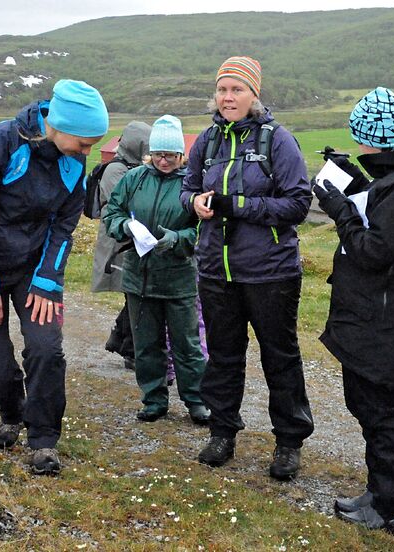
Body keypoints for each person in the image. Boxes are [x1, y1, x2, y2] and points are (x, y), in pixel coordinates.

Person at [0, 79, 108, 476]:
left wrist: (48, 279)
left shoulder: (73, 159)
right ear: (59, 125)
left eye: (92, 145)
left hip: (33, 269)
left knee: (46, 350)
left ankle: (43, 441)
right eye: (84, 143)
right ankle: (11, 411)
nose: (87, 152)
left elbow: (64, 226)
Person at [314, 87, 394, 535]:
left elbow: (373, 249)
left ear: (375, 136)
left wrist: (339, 209)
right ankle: (379, 491)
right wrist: (354, 181)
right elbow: (383, 210)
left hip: (383, 314)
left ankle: (389, 504)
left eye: (361, 137)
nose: (359, 144)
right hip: (374, 310)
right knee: (368, 404)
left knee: (384, 410)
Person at [180, 55, 314, 481]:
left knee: (280, 358)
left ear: (254, 94)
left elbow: (297, 203)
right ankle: (223, 432)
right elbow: (186, 189)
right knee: (222, 357)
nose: (227, 97)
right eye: (222, 89)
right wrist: (194, 203)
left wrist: (236, 206)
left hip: (270, 272)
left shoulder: (278, 140)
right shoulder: (207, 141)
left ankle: (289, 442)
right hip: (216, 271)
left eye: (237, 89)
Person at [104, 114, 210, 425]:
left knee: (187, 345)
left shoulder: (192, 184)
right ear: (151, 153)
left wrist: (176, 239)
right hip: (139, 277)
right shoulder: (133, 179)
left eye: (171, 155)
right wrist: (124, 226)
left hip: (179, 279)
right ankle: (153, 399)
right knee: (146, 344)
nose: (164, 161)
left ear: (181, 155)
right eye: (159, 154)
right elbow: (113, 211)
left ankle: (197, 401)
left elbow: (204, 229)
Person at [91, 121, 152, 371]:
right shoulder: (115, 170)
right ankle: (131, 349)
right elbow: (127, 205)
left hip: (134, 241)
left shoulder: (133, 168)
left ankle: (121, 339)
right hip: (120, 243)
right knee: (136, 294)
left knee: (137, 294)